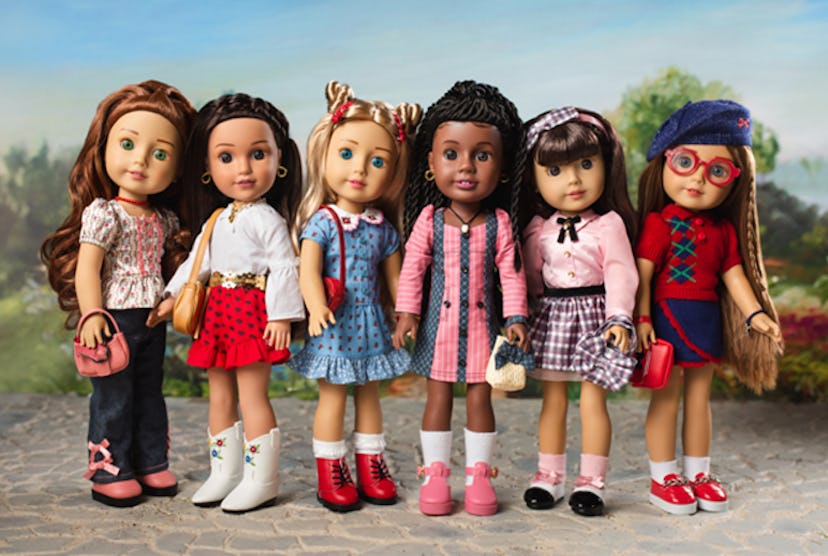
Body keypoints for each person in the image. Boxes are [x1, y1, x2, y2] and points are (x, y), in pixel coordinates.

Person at [40, 80, 196, 507]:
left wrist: (170, 302)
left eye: (160, 154)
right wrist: (92, 314)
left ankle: (150, 461)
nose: (140, 160)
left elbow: (169, 269)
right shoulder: (104, 213)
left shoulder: (164, 219)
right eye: (127, 144)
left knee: (149, 392)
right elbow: (89, 267)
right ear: (104, 148)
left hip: (151, 319)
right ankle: (110, 468)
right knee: (113, 396)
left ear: (177, 169)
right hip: (113, 320)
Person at [154, 93, 305, 513]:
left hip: (251, 311)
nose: (243, 169)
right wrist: (171, 296)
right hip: (217, 312)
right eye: (226, 157)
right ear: (207, 166)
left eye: (258, 154)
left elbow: (284, 267)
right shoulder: (217, 219)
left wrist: (281, 316)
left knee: (252, 394)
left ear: (279, 159)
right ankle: (224, 472)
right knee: (219, 393)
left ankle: (262, 479)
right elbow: (197, 264)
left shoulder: (268, 219)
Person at [635, 100, 783, 515]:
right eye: (685, 162)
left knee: (699, 400)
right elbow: (643, 276)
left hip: (705, 323)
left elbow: (735, 278)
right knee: (666, 398)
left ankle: (698, 472)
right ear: (664, 163)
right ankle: (664, 476)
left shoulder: (724, 232)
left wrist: (756, 315)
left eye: (717, 171)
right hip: (665, 323)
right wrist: (642, 318)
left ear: (735, 182)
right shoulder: (658, 225)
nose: (698, 178)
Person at [393, 80, 529, 516]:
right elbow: (413, 268)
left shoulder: (500, 223)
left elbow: (511, 273)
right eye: (451, 154)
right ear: (431, 162)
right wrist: (407, 313)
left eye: (482, 156)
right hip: (439, 327)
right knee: (437, 398)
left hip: (484, 329)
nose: (466, 166)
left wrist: (516, 317)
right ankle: (435, 474)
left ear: (502, 166)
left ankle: (478, 475)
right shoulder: (429, 220)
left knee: (479, 399)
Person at [290, 81, 421, 512]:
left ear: (393, 171)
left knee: (369, 395)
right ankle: (331, 468)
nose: (360, 169)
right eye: (347, 154)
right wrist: (315, 307)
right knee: (332, 396)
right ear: (324, 154)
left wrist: (405, 313)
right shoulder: (323, 222)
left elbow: (396, 278)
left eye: (377, 161)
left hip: (372, 323)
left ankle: (371, 464)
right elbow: (308, 270)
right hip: (333, 322)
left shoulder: (382, 227)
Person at [520, 107, 638, 516]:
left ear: (606, 164)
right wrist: (522, 316)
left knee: (592, 402)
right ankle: (548, 475)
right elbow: (531, 278)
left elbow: (620, 271)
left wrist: (619, 316)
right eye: (555, 171)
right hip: (552, 319)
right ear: (534, 178)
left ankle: (591, 481)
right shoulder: (538, 229)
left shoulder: (608, 225)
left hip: (594, 320)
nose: (573, 180)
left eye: (586, 165)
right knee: (552, 401)